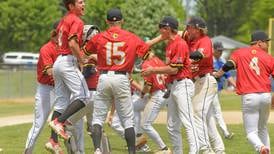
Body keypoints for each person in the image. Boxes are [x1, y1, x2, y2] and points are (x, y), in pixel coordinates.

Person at [83, 8, 153, 154]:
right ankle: (132, 152)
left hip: (103, 77)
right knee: (127, 120)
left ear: (107, 21)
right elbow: (147, 55)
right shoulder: (131, 37)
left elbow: (86, 52)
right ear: (122, 21)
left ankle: (97, 150)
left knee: (97, 118)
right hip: (121, 77)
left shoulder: (99, 37)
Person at [142, 16, 199, 154]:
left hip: (183, 84)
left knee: (188, 120)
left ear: (168, 28)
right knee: (172, 125)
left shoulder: (179, 43)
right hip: (174, 86)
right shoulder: (170, 44)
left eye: (162, 28)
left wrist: (153, 70)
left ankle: (194, 151)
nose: (160, 31)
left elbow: (174, 69)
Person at [214, 30, 274, 154]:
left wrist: (218, 74)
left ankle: (261, 148)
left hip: (250, 97)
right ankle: (266, 150)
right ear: (259, 42)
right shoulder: (268, 57)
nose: (268, 45)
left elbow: (229, 64)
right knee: (262, 128)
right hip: (266, 96)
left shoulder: (240, 53)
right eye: (266, 42)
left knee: (251, 132)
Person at [49, 0, 90, 141]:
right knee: (84, 96)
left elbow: (63, 39)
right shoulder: (77, 20)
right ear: (71, 6)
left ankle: (53, 141)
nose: (84, 4)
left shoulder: (64, 20)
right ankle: (59, 122)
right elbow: (72, 43)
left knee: (61, 103)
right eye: (80, 2)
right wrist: (81, 59)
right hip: (68, 61)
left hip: (59, 61)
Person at [185, 16, 225, 154]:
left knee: (197, 114)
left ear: (197, 28)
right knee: (207, 119)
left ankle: (206, 150)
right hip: (198, 82)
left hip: (206, 80)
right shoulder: (191, 40)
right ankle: (219, 150)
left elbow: (201, 54)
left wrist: (187, 59)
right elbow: (176, 34)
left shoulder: (204, 40)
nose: (187, 29)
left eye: (189, 27)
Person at [24, 21, 61, 154]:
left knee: (68, 125)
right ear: (55, 32)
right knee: (38, 124)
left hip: (62, 89)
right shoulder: (47, 48)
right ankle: (27, 152)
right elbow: (49, 71)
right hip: (47, 89)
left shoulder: (67, 48)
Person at [140, 52, 170, 153]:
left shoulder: (146, 64)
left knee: (145, 125)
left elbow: (148, 86)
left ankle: (164, 148)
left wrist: (143, 93)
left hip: (157, 95)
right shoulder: (158, 61)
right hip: (165, 92)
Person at [212, 41, 236, 139]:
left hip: (215, 90)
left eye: (221, 50)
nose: (220, 52)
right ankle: (225, 133)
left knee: (210, 113)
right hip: (208, 89)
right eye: (218, 50)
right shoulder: (209, 59)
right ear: (213, 50)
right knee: (216, 112)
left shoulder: (222, 60)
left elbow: (228, 75)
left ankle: (212, 133)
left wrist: (236, 85)